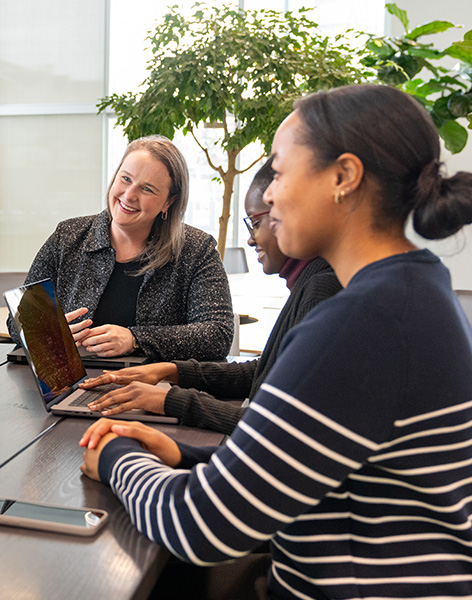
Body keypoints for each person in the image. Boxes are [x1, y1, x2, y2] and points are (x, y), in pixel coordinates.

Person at [80, 84, 472, 599]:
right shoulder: (415, 290)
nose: (267, 194)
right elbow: (320, 476)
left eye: (280, 172)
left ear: (343, 177)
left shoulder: (361, 323)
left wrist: (115, 453)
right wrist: (181, 454)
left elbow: (200, 526)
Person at [79, 159, 342, 434]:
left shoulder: (322, 292)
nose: (251, 239)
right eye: (125, 179)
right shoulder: (310, 284)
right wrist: (172, 371)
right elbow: (269, 371)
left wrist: (171, 399)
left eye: (255, 223)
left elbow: (281, 429)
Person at [9, 135, 233, 362]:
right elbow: (17, 322)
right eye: (125, 179)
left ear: (169, 202)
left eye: (147, 189)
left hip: (155, 390)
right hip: (71, 387)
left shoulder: (196, 250)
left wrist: (135, 339)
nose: (129, 195)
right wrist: (46, 334)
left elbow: (217, 334)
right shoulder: (67, 237)